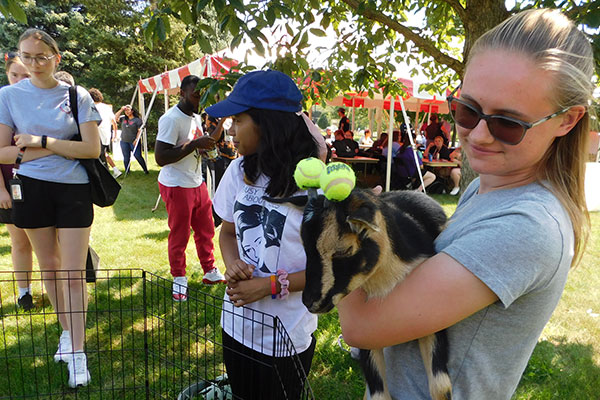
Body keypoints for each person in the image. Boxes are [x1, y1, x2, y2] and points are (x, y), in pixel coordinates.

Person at [336, 9, 592, 399]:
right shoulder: (484, 188)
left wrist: (339, 225)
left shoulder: (527, 225)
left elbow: (360, 327)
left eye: (509, 123)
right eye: (467, 110)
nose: (479, 135)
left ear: (567, 120)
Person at [208, 70, 321, 400]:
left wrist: (268, 286)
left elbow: (327, 269)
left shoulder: (313, 185)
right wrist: (232, 264)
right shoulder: (238, 170)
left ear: (267, 123)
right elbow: (228, 233)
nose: (230, 129)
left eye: (238, 120)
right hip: (236, 327)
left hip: (285, 338)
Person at [0, 28, 103, 388]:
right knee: (50, 267)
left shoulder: (77, 95)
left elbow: (91, 149)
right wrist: (55, 147)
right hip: (30, 188)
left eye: (41, 56)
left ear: (56, 58)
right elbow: (2, 152)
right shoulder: (8, 95)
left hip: (74, 189)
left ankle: (78, 352)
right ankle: (68, 334)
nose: (34, 63)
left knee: (73, 274)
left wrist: (38, 141)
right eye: (26, 56)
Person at [155, 75, 226, 301]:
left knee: (206, 229)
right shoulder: (170, 119)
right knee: (180, 234)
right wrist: (195, 144)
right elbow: (161, 157)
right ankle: (179, 277)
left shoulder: (195, 116)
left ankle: (209, 270)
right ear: (182, 93)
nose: (200, 100)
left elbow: (202, 144)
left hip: (196, 181)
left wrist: (219, 124)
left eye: (202, 96)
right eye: (196, 95)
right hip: (176, 184)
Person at [1, 52, 34, 311]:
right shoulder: (2, 103)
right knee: (20, 240)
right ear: (7, 74)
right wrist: (0, 190)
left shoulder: (41, 102)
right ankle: (24, 292)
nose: (20, 80)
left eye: (25, 75)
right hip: (9, 184)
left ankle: (61, 289)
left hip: (43, 181)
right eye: (15, 75)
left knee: (50, 242)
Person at [89, 88, 122, 178]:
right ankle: (110, 173)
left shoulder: (92, 107)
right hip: (106, 135)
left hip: (97, 135)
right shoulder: (106, 107)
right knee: (103, 155)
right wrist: (114, 135)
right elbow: (114, 122)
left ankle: (104, 176)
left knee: (99, 157)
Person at [114, 104, 148, 174]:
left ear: (132, 111)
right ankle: (127, 171)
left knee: (138, 156)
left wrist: (136, 140)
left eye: (128, 110)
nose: (126, 112)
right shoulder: (123, 118)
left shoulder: (137, 120)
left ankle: (145, 170)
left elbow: (139, 131)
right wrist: (121, 109)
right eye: (125, 110)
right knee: (126, 157)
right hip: (124, 141)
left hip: (133, 141)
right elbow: (115, 118)